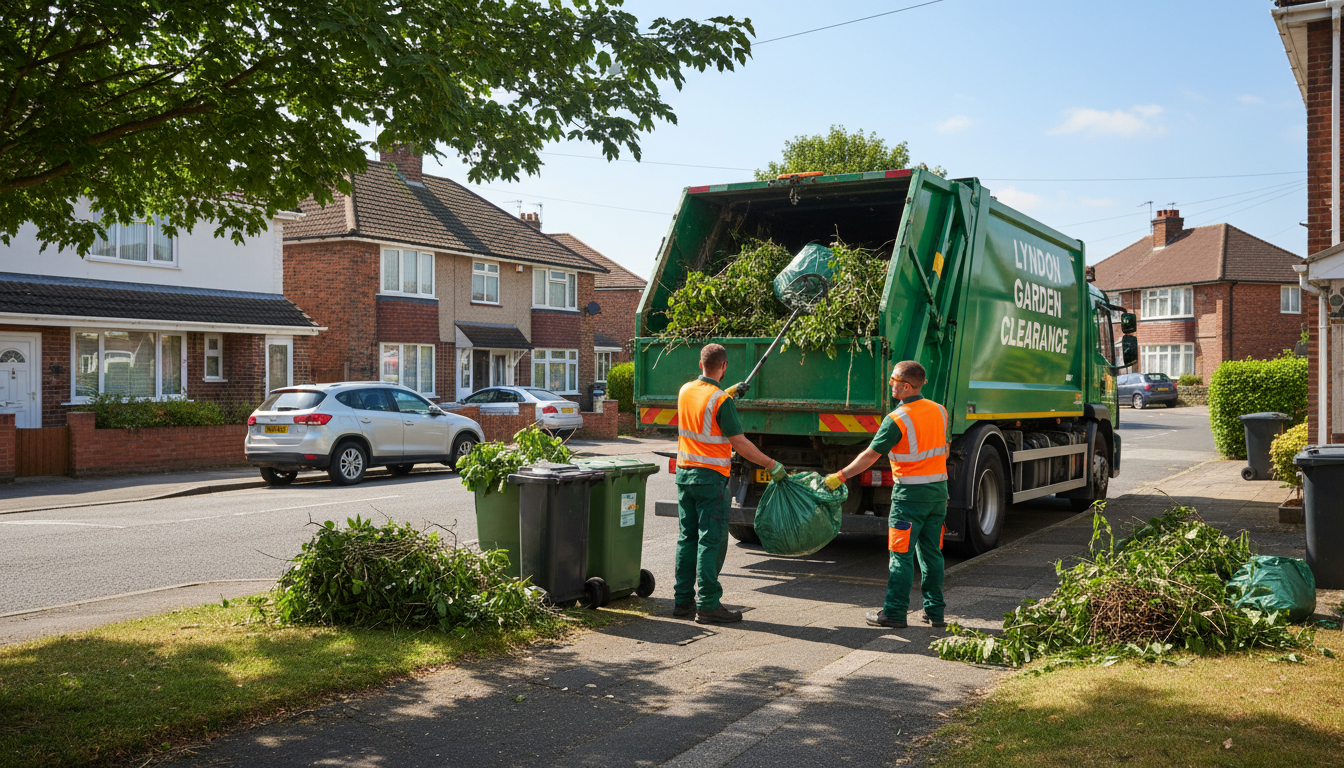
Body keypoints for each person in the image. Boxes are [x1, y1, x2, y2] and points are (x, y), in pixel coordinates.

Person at [824, 360, 949, 629]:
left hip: (909, 498)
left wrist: (841, 475)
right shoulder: (940, 411)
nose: (890, 383)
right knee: (932, 553)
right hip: (938, 494)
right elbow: (944, 449)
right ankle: (935, 612)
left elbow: (871, 455)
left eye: (893, 380)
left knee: (901, 554)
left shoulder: (897, 418)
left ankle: (893, 612)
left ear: (905, 386)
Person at [674, 343, 786, 624]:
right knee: (710, 541)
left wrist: (730, 391)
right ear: (723, 366)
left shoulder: (686, 390)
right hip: (710, 479)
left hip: (684, 475)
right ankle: (709, 604)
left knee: (687, 538)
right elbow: (740, 443)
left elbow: (705, 406)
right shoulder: (721, 401)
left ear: (701, 364)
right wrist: (771, 465)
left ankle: (682, 601)